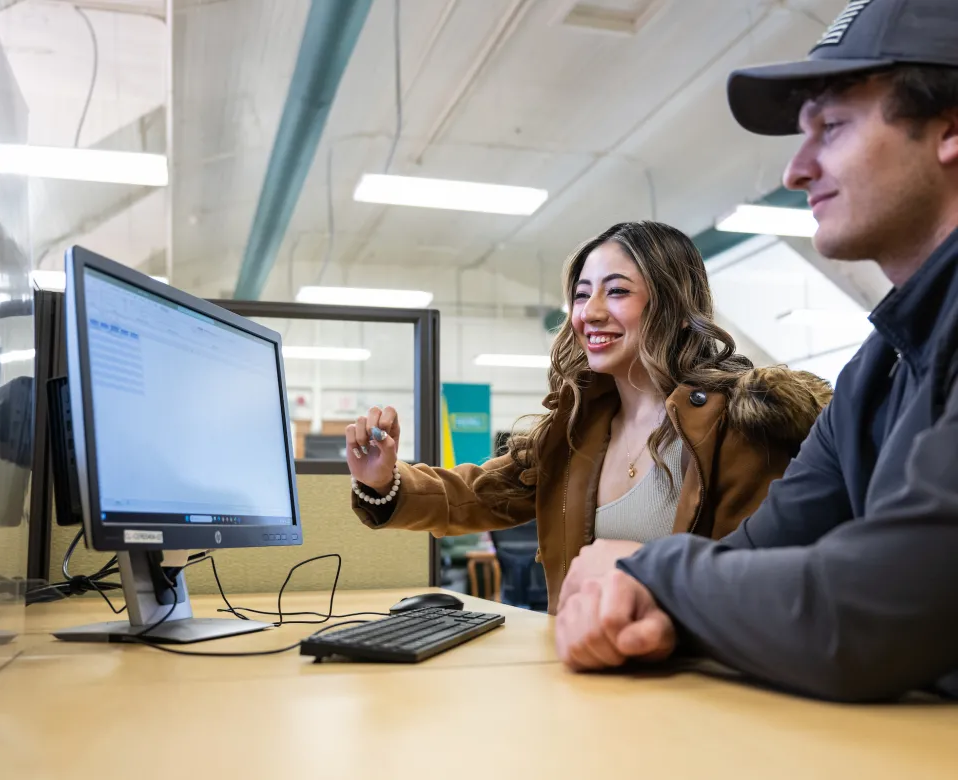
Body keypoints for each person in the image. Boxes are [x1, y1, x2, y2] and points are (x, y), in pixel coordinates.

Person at [554, 0, 958, 702]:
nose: (797, 170)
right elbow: (756, 557)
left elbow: (867, 614)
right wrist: (663, 606)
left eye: (831, 127)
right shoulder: (879, 368)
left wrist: (653, 576)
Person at [345, 221, 831, 614]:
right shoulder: (576, 431)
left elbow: (751, 579)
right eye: (581, 295)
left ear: (678, 308)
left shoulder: (736, 426)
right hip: (582, 679)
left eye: (616, 292)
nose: (589, 313)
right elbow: (476, 495)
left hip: (695, 684)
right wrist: (385, 481)